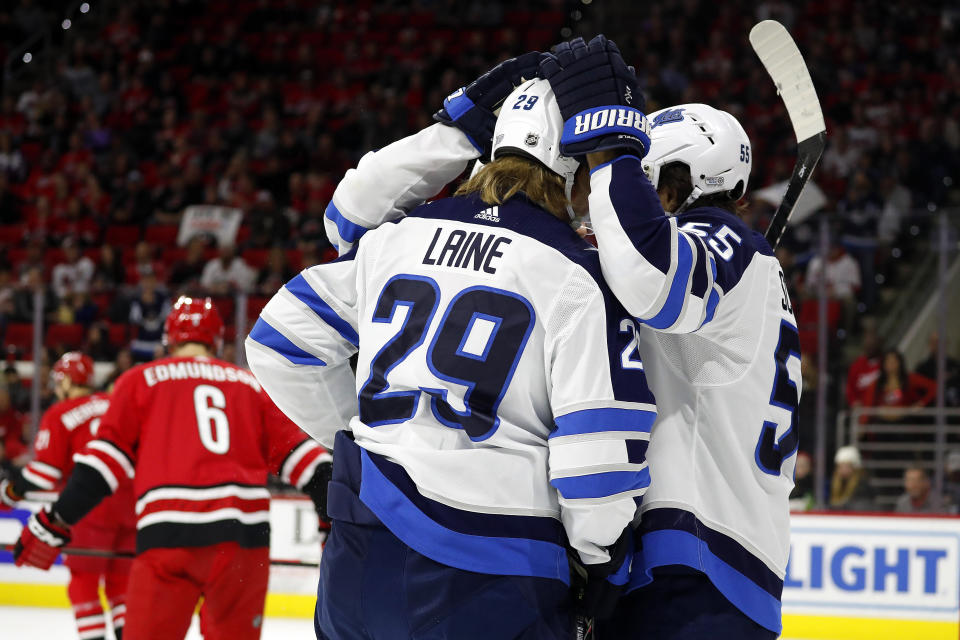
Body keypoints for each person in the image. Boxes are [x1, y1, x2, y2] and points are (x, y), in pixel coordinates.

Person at [246, 57, 657, 638]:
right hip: (493, 570)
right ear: (576, 168)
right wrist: (602, 562)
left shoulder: (396, 237)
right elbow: (595, 464)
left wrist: (363, 435)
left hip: (361, 556)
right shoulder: (578, 275)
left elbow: (279, 341)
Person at [529, 36, 795, 639]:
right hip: (714, 565)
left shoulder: (724, 243)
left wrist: (609, 149)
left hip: (697, 564)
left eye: (648, 182)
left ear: (676, 182)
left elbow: (653, 277)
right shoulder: (738, 265)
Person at [13, 297, 333, 640]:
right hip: (243, 542)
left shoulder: (140, 381)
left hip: (169, 537)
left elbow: (100, 469)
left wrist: (54, 520)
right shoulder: (251, 386)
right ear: (217, 341)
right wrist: (330, 527)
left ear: (169, 340)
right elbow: (315, 467)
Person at [1, 352, 136, 640]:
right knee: (121, 585)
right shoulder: (116, 404)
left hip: (88, 505)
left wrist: (10, 492)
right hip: (132, 507)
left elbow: (43, 474)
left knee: (83, 584)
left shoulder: (60, 413)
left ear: (65, 379)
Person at [862, 349, 937, 424]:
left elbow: (934, 387)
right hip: (883, 423)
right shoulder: (876, 384)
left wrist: (922, 403)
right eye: (888, 362)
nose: (891, 364)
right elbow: (868, 405)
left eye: (894, 361)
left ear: (900, 363)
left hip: (904, 422)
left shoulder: (910, 379)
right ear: (883, 364)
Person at [828, 446, 875, 511]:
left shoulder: (863, 487)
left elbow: (861, 508)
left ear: (855, 468)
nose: (843, 470)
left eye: (847, 466)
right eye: (840, 466)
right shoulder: (835, 484)